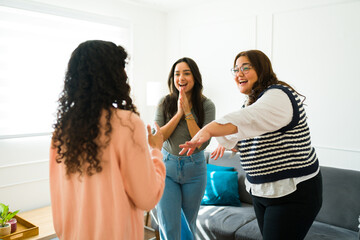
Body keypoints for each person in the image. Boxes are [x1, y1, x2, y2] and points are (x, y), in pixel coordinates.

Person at [180, 50, 323, 240]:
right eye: (236, 70)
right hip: (262, 191)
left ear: (262, 69)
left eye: (245, 68)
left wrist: (210, 129)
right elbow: (250, 133)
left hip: (291, 191)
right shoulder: (250, 103)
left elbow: (248, 119)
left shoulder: (278, 95)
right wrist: (232, 143)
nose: (239, 74)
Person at [49, 40, 166, 240]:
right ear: (113, 75)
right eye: (122, 68)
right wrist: (156, 151)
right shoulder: (128, 124)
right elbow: (147, 198)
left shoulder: (62, 129)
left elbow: (59, 203)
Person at [154, 57, 215, 239]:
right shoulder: (165, 103)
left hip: (195, 170)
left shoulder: (207, 105)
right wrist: (179, 113)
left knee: (188, 227)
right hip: (167, 169)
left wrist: (188, 111)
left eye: (186, 73)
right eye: (177, 74)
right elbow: (159, 137)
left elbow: (202, 142)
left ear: (195, 77)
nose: (181, 77)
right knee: (169, 227)